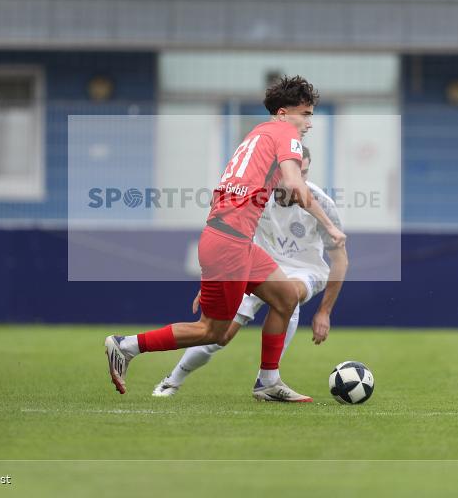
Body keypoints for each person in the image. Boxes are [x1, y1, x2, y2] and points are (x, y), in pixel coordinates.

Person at [104, 76, 346, 401]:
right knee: (213, 331)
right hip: (229, 243)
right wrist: (328, 226)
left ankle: (268, 382)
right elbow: (294, 184)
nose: (309, 123)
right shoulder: (284, 133)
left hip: (234, 241)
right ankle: (127, 345)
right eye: (306, 114)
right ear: (285, 112)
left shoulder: (257, 135)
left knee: (286, 297)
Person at [152, 146, 348, 397]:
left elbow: (340, 260)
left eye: (305, 173)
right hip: (257, 266)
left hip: (305, 270)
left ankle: (267, 380)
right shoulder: (257, 198)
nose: (300, 180)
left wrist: (324, 312)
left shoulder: (322, 204)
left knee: (289, 296)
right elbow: (226, 238)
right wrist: (213, 283)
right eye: (295, 174)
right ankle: (172, 381)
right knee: (219, 335)